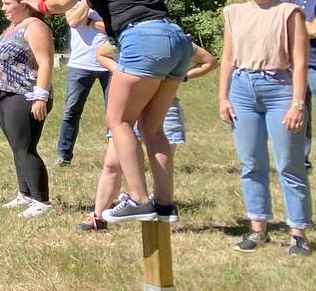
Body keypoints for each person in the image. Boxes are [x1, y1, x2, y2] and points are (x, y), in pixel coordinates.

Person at [25, 0, 189, 225]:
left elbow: (62, 2)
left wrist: (40, 3)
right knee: (152, 128)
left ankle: (140, 200)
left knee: (118, 121)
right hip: (176, 40)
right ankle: (165, 204)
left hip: (142, 39)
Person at [219, 0, 312, 256]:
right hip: (243, 90)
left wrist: (298, 104)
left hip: (280, 89)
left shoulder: (289, 11)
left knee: (289, 163)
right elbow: (228, 58)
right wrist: (223, 96)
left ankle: (298, 233)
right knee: (251, 163)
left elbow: (300, 62)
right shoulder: (233, 12)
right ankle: (258, 228)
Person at [78, 42, 216, 232]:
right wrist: (122, 73)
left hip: (164, 109)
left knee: (159, 166)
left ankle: (158, 211)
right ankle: (98, 216)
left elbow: (209, 61)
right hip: (129, 107)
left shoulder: (175, 39)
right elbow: (101, 54)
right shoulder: (130, 35)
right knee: (112, 164)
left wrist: (181, 76)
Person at [0, 0, 55, 218]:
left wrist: (40, 98)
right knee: (17, 147)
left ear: (24, 4)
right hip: (5, 95)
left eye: (8, 4)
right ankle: (24, 194)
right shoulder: (13, 27)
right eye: (2, 3)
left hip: (25, 95)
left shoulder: (34, 26)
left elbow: (45, 62)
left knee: (26, 148)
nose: (3, 8)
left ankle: (42, 201)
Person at [281, 0, 316, 161]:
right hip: (294, 66)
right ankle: (301, 161)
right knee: (299, 116)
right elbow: (278, 26)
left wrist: (295, 27)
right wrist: (309, 28)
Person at [56, 0, 109, 166]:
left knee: (115, 114)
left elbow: (114, 29)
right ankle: (63, 156)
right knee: (72, 111)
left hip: (111, 63)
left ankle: (117, 157)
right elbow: (73, 21)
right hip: (80, 64)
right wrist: (87, 0)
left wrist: (89, 21)